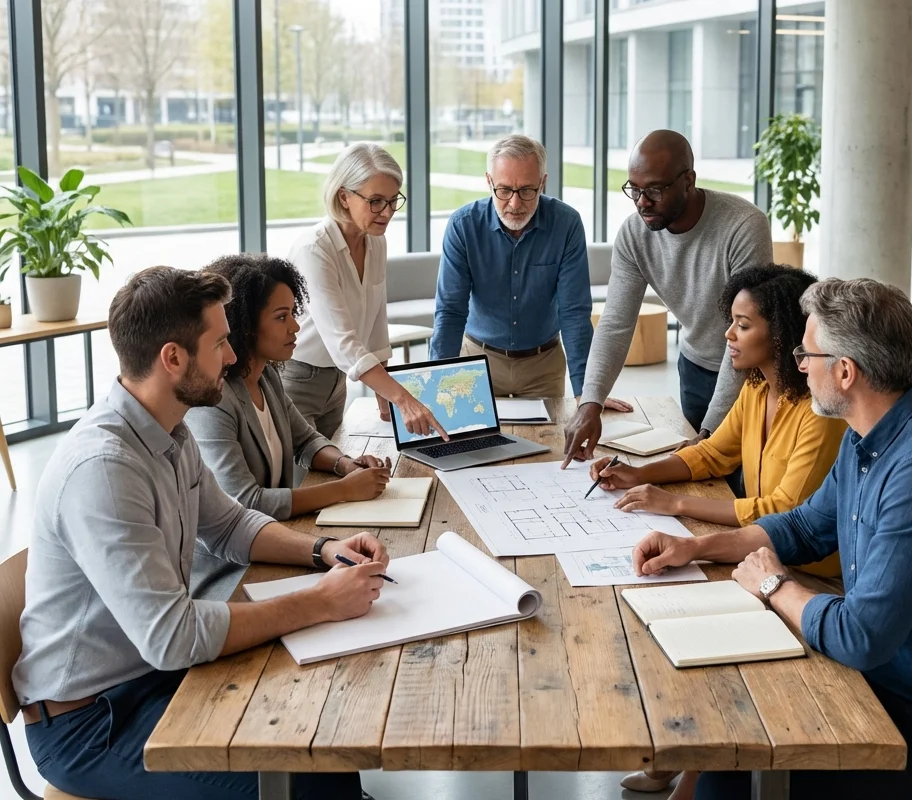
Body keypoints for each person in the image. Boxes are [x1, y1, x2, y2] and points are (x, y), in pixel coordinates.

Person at [631, 278, 912, 800]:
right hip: (887, 688)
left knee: (734, 771)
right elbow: (802, 527)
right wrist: (696, 548)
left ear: (845, 370)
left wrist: (775, 587)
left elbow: (861, 637)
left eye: (806, 353)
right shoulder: (867, 437)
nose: (800, 365)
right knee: (726, 749)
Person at [13, 266, 390, 800]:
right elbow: (173, 637)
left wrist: (324, 552)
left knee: (323, 744)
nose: (232, 358)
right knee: (309, 781)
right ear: (173, 358)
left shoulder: (169, 428)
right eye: (219, 344)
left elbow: (231, 524)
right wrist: (320, 602)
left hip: (148, 678)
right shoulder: (104, 468)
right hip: (91, 722)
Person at [595, 264, 846, 799]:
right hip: (759, 556)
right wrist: (639, 472)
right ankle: (681, 750)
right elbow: (713, 452)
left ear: (780, 334)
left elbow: (786, 508)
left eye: (742, 324)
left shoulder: (820, 413)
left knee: (693, 617)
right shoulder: (758, 389)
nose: (727, 336)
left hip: (808, 576)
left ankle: (692, 764)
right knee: (662, 601)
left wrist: (674, 503)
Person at [185, 253, 393, 600]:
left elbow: (307, 440)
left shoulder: (266, 374)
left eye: (294, 314)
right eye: (282, 317)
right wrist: (344, 489)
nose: (296, 327)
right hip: (229, 573)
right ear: (244, 324)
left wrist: (345, 465)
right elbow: (246, 503)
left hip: (278, 546)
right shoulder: (214, 402)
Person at [562, 129, 773, 468]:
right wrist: (591, 403)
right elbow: (615, 323)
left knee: (739, 479)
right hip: (694, 367)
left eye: (655, 189)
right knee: (699, 476)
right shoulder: (634, 234)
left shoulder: (743, 226)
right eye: (634, 189)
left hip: (749, 373)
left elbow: (749, 331)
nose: (642, 201)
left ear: (688, 180)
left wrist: (708, 435)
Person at [430, 134, 630, 411]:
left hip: (543, 366)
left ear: (542, 183)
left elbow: (573, 312)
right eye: (504, 190)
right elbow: (450, 311)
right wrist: (435, 385)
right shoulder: (463, 226)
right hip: (477, 363)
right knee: (474, 446)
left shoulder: (566, 224)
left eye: (527, 190)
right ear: (489, 182)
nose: (514, 204)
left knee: (551, 448)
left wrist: (587, 392)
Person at [284, 142, 448, 441]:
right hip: (297, 380)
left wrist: (383, 393)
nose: (386, 212)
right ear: (344, 196)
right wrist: (402, 398)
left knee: (333, 474)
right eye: (375, 201)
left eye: (392, 200)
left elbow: (375, 320)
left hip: (337, 379)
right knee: (303, 481)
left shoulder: (376, 241)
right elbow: (343, 341)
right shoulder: (315, 250)